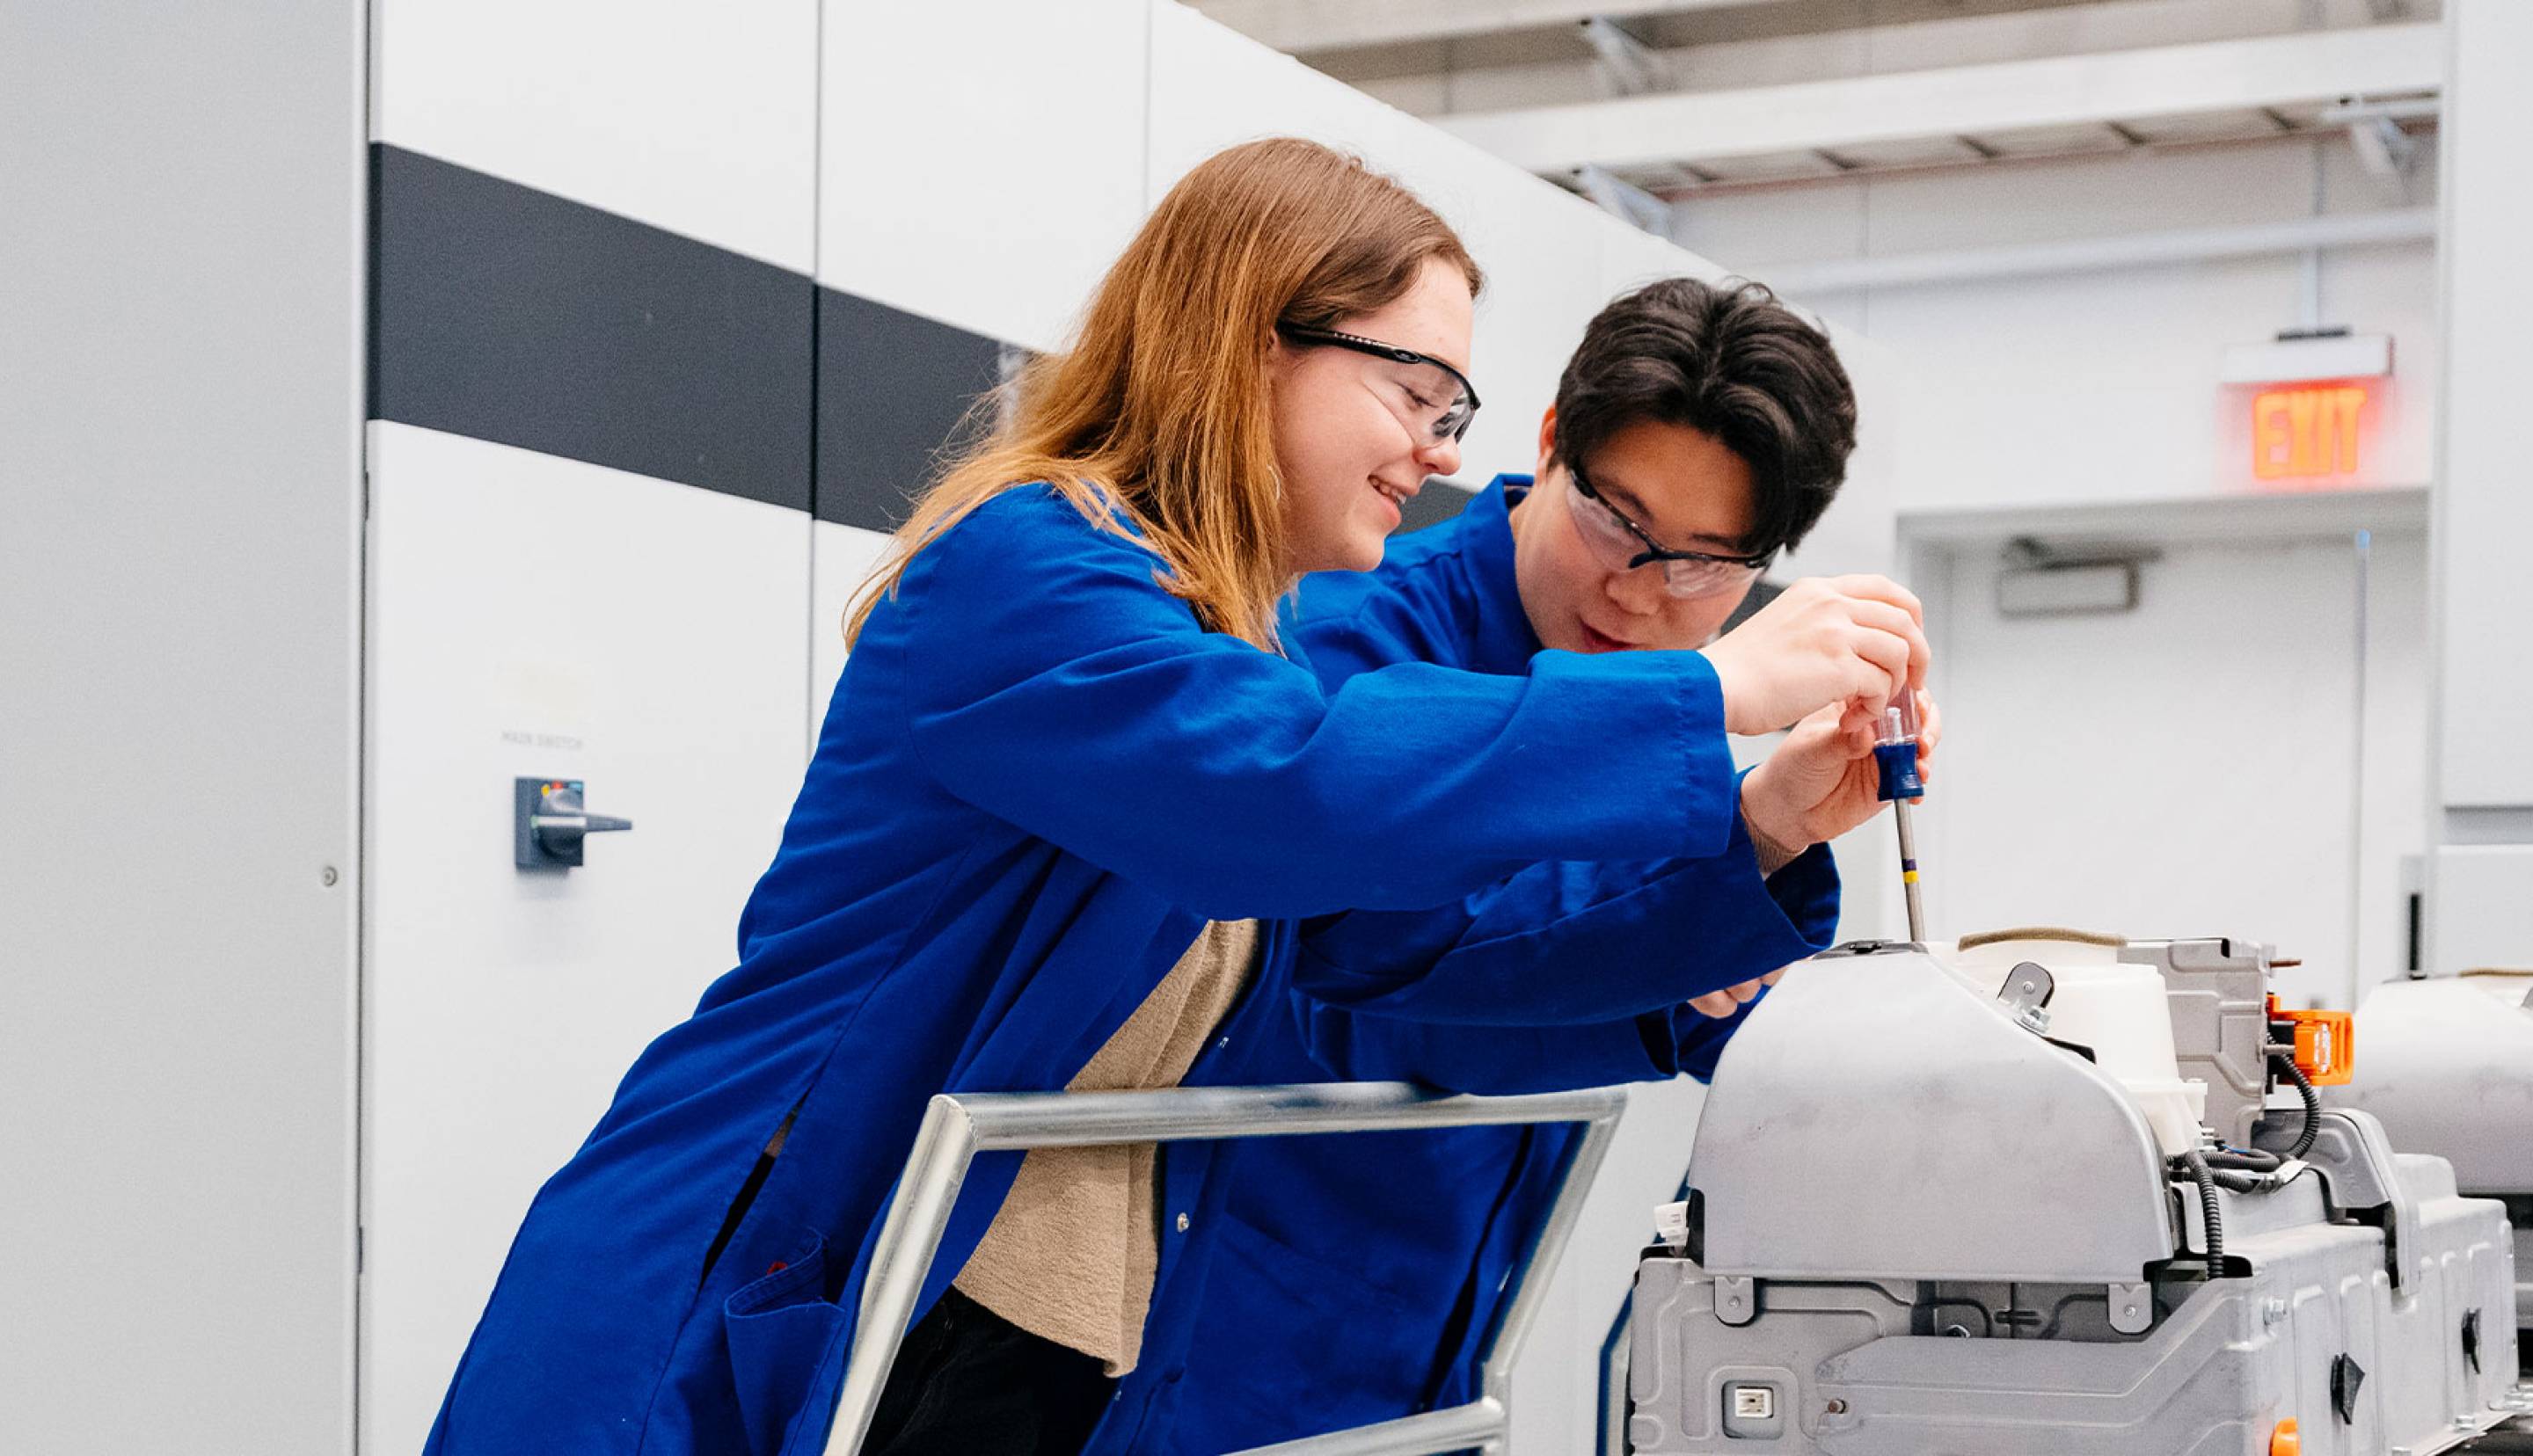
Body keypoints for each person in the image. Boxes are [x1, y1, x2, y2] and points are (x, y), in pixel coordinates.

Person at [427, 140, 1928, 1456]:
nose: (1438, 448)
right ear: (1245, 342)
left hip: (979, 1324)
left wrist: (1764, 825)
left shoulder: (1223, 634)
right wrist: (1713, 693)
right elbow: (1290, 790)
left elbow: (1411, 945)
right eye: (1411, 388)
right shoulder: (1035, 574)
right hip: (729, 1285)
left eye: (1455, 402)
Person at [1125, 277, 1939, 1452]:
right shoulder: (1355, 637)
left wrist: (1779, 855)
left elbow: (1697, 1025)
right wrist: (1736, 843)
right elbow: (1386, 971)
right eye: (1617, 518)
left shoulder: (1667, 733)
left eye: (1703, 566)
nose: (1637, 586)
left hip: (1446, 1340)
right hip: (1226, 1326)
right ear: (1552, 442)